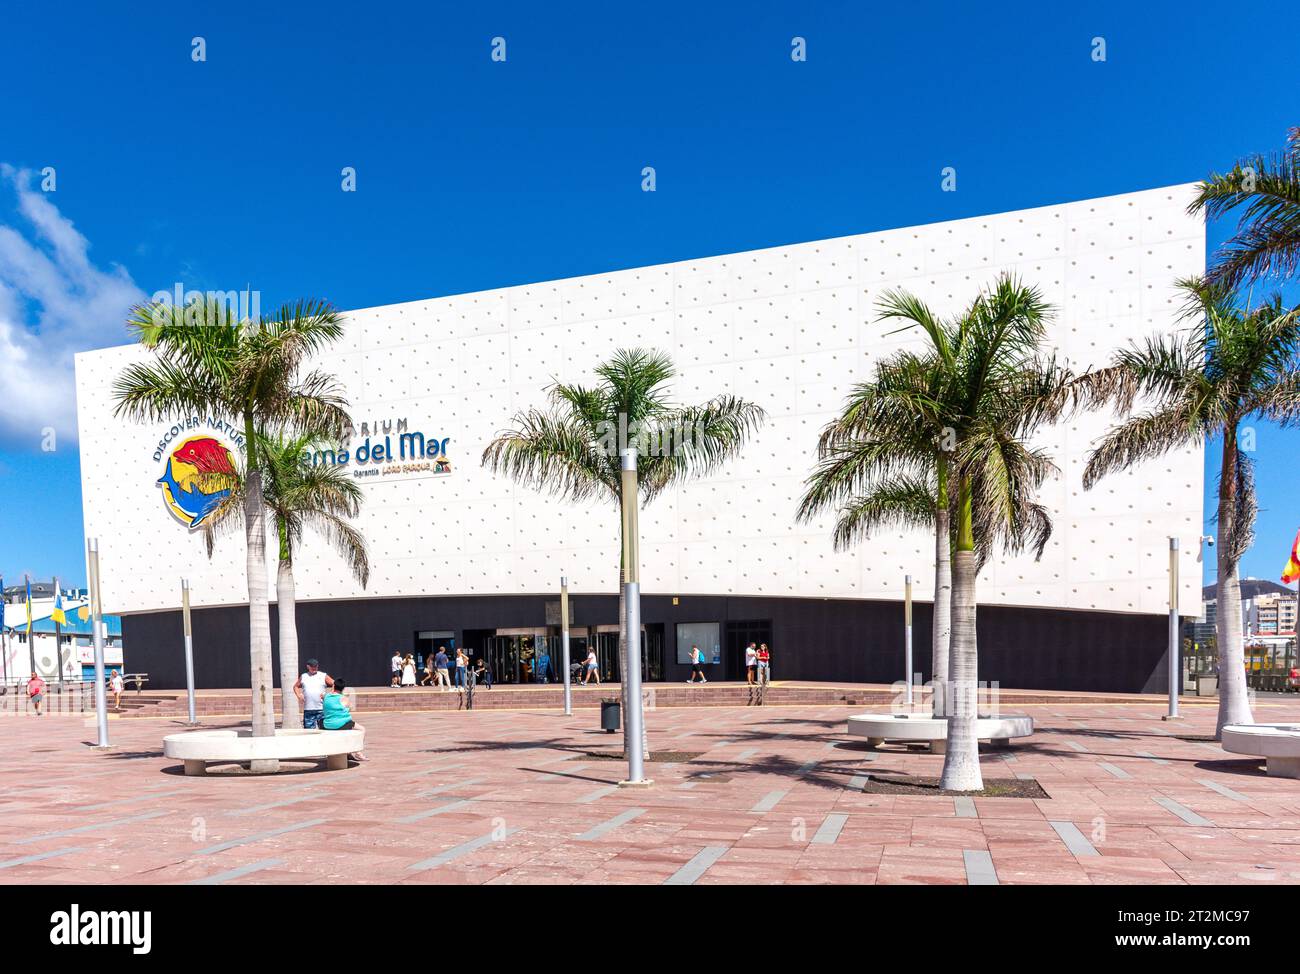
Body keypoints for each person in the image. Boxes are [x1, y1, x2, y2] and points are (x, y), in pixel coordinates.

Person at [322, 679, 366, 762]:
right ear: (343, 689)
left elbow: (323, 696)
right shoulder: (344, 698)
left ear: (333, 686)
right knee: (362, 729)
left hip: (327, 724)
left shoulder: (326, 696)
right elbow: (351, 708)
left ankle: (348, 753)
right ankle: (358, 753)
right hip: (341, 724)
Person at [294, 658, 334, 729]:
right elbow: (295, 686)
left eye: (316, 666)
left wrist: (329, 694)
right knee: (308, 732)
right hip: (308, 709)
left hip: (321, 709)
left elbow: (335, 684)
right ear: (308, 666)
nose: (314, 668)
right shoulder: (304, 676)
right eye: (312, 667)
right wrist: (298, 695)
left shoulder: (323, 675)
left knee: (324, 730)